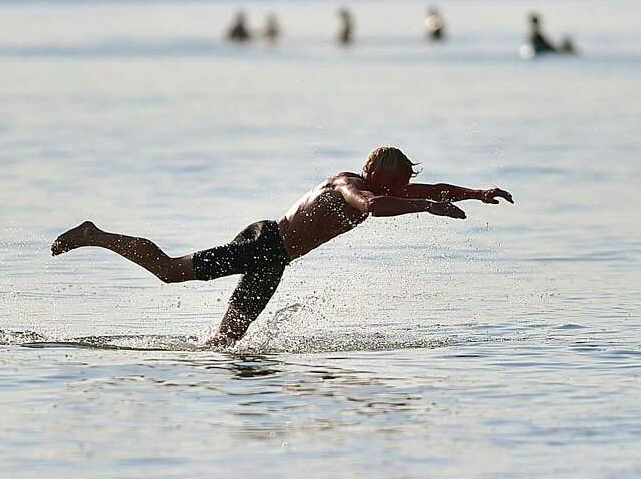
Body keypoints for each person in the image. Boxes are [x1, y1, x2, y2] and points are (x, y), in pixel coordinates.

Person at [51, 146, 512, 345]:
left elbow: (428, 188)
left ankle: (213, 375)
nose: (406, 190)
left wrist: (476, 194)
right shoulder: (352, 187)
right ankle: (96, 235)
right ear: (377, 175)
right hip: (264, 242)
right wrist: (428, 210)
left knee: (229, 341)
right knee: (170, 271)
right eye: (399, 184)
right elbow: (372, 205)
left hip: (275, 258)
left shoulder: (382, 186)